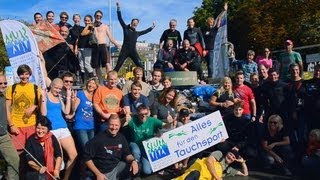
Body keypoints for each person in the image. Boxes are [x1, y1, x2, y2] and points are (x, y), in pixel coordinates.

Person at [40, 78, 78, 180]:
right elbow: (43, 113)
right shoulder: (45, 96)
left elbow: (66, 111)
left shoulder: (60, 97)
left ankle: (65, 178)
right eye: (56, 88)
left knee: (73, 155)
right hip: (52, 130)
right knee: (58, 159)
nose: (57, 90)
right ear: (51, 86)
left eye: (60, 89)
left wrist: (69, 97)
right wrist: (43, 98)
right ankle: (56, 177)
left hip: (63, 128)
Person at [83, 114, 139, 180]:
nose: (114, 128)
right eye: (111, 125)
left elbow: (127, 154)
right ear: (107, 124)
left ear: (120, 125)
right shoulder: (98, 139)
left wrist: (133, 161)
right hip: (102, 171)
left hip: (115, 167)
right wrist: (98, 174)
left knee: (136, 166)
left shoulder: (121, 137)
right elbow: (86, 158)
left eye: (116, 125)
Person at [123, 104, 174, 175]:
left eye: (145, 114)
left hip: (146, 146)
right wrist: (124, 119)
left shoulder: (151, 120)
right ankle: (136, 167)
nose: (144, 116)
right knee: (136, 151)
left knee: (147, 171)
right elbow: (120, 124)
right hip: (135, 143)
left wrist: (169, 123)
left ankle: (142, 164)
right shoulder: (133, 119)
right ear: (137, 113)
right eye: (141, 114)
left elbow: (165, 126)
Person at [6, 65, 41, 152]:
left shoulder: (35, 88)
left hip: (32, 125)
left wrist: (35, 106)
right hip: (17, 126)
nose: (24, 76)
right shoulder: (12, 88)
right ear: (18, 75)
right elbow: (6, 108)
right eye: (21, 74)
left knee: (32, 152)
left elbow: (42, 106)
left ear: (30, 74)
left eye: (26, 74)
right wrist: (11, 125)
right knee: (18, 153)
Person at [114, 0, 156, 71]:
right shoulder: (126, 28)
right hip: (124, 51)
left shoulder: (137, 33)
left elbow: (145, 31)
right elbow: (120, 19)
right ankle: (111, 79)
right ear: (131, 23)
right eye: (134, 22)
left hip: (133, 51)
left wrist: (152, 27)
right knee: (118, 66)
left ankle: (143, 81)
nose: (135, 24)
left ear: (137, 24)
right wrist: (118, 8)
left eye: (136, 23)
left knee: (141, 67)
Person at [174, 148, 248, 180]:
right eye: (230, 154)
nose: (230, 157)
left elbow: (245, 174)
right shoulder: (219, 154)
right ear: (227, 153)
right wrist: (217, 177)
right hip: (197, 171)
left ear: (234, 160)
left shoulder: (229, 169)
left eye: (233, 157)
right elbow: (209, 162)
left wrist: (242, 162)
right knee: (195, 173)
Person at [91, 10, 120, 82]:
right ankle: (101, 82)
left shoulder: (105, 26)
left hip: (103, 45)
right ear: (94, 16)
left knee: (107, 63)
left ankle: (112, 80)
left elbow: (110, 37)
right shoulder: (91, 26)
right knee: (97, 66)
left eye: (100, 16)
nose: (98, 17)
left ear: (101, 17)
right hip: (95, 47)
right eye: (97, 16)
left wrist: (116, 44)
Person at [0, 74, 19, 180]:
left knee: (15, 161)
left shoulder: (4, 97)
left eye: (5, 83)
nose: (3, 85)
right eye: (0, 83)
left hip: (3, 136)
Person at [73, 77, 98, 149]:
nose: (91, 85)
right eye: (90, 83)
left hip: (91, 126)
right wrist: (72, 100)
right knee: (86, 147)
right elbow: (74, 108)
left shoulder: (95, 97)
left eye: (93, 83)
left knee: (92, 148)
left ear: (96, 86)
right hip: (81, 126)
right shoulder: (80, 94)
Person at [77, 14, 95, 83]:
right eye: (85, 20)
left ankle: (93, 79)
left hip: (87, 48)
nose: (87, 22)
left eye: (88, 20)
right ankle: (83, 81)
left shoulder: (91, 28)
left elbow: (83, 33)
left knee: (87, 64)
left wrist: (88, 25)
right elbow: (80, 36)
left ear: (91, 21)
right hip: (80, 47)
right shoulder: (81, 28)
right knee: (81, 65)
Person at [304, 64, 320, 130]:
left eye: (319, 71)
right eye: (316, 70)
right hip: (310, 112)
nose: (317, 72)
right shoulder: (307, 81)